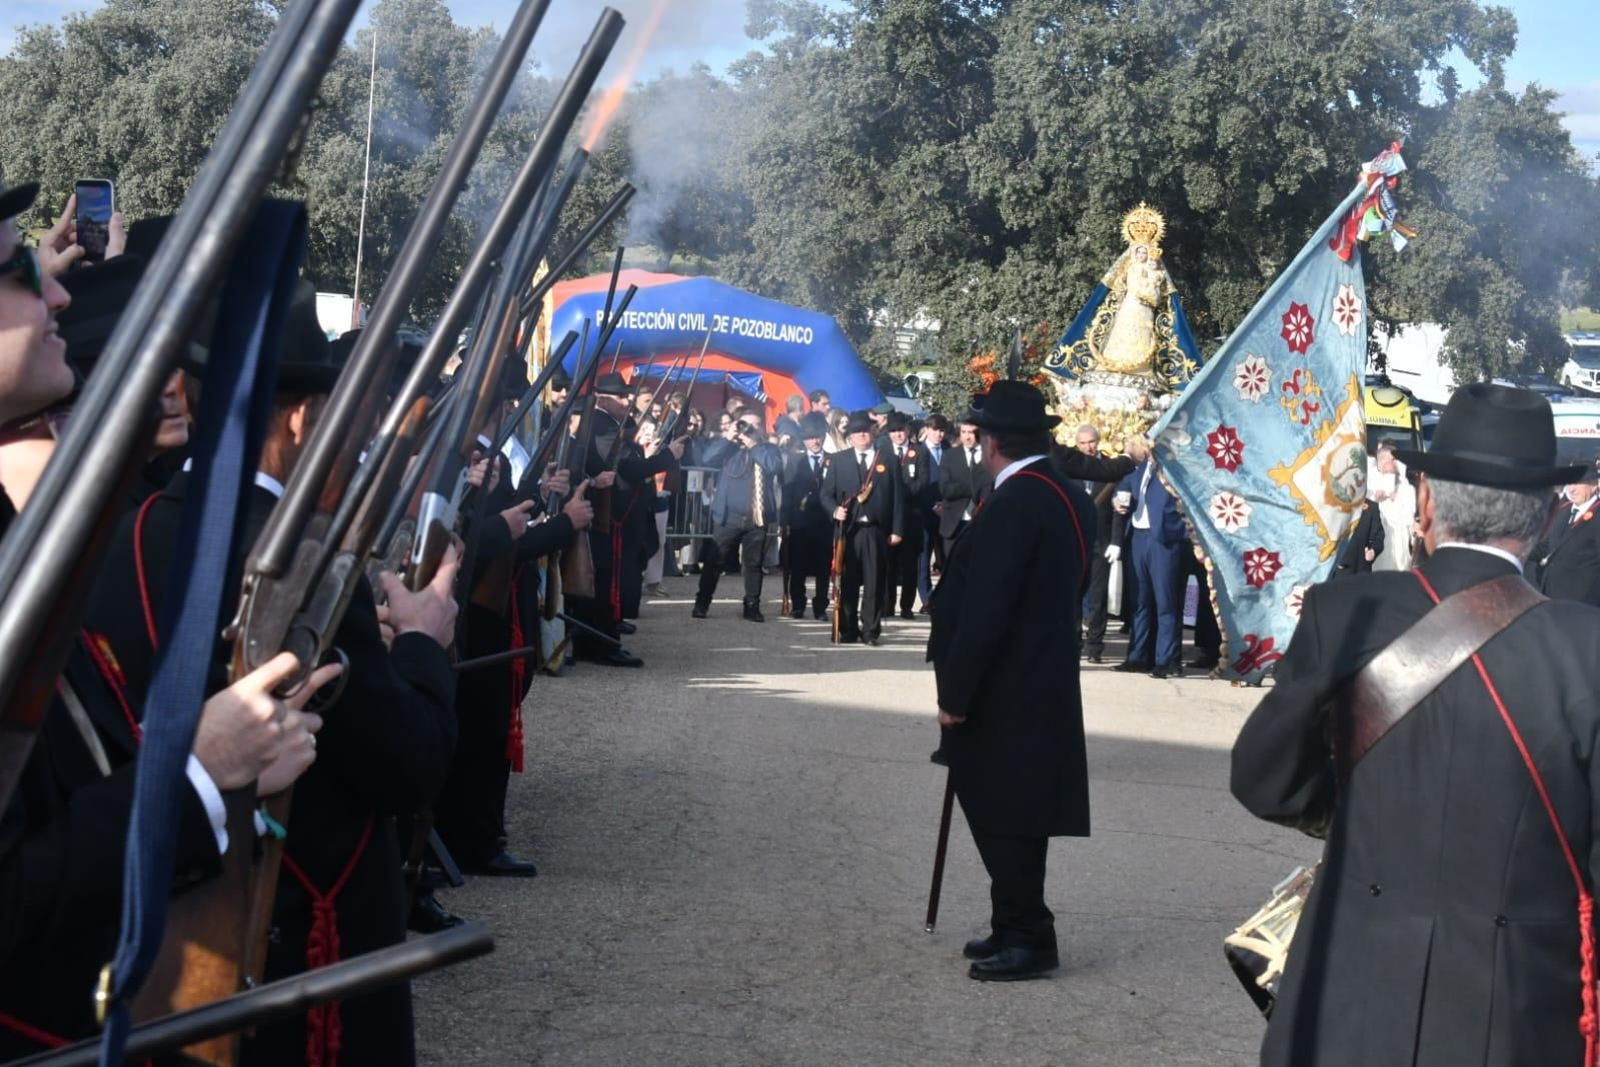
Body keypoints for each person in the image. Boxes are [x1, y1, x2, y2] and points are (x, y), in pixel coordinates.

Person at [1230, 383, 1599, 1067]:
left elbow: (1264, 780)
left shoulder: (1343, 611)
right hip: (1521, 1005)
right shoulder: (1588, 647)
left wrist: (1361, 811)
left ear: (1425, 500)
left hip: (1347, 984)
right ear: (1548, 517)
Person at [927, 381, 1094, 982]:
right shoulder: (1063, 493)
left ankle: (1029, 934)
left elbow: (986, 609)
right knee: (1013, 804)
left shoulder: (1018, 499)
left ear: (992, 442)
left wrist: (956, 696)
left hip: (1004, 682)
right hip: (1038, 671)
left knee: (1002, 808)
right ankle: (1010, 921)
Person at [820, 411, 904, 645]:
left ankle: (870, 631)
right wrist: (834, 510)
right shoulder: (839, 460)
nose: (861, 436)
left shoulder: (887, 459)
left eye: (865, 432)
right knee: (847, 581)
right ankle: (848, 629)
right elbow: (825, 494)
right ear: (850, 436)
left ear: (872, 433)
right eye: (857, 433)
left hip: (876, 530)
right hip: (849, 531)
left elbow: (898, 497)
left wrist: (897, 529)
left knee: (874, 583)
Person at [692, 417, 784, 621]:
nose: (748, 429)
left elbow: (774, 467)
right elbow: (707, 459)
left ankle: (752, 605)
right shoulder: (729, 448)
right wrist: (728, 437)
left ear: (761, 428)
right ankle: (702, 603)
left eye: (754, 426)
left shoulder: (768, 448)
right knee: (714, 561)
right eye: (744, 424)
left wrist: (753, 445)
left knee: (753, 563)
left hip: (757, 516)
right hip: (729, 516)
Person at [1113, 443, 1187, 677]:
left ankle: (1168, 660)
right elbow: (1124, 486)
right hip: (1138, 537)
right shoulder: (1141, 468)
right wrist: (1117, 498)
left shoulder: (1175, 468)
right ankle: (1138, 656)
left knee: (1166, 602)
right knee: (1139, 601)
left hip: (1164, 540)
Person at [781, 413, 833, 620]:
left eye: (818, 436)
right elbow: (788, 492)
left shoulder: (833, 460)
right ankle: (798, 605)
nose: (815, 441)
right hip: (801, 521)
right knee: (798, 566)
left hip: (824, 522)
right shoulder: (795, 460)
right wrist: (784, 520)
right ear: (804, 439)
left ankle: (820, 606)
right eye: (810, 437)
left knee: (823, 568)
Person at [1073, 425, 1116, 663]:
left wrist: (1116, 541)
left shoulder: (1110, 467)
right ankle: (1075, 641)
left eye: (1091, 442)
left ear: (1098, 441)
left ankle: (1095, 646)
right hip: (1076, 540)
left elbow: (1120, 506)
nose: (1087, 447)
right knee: (1075, 595)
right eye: (1082, 443)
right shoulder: (1070, 468)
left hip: (1102, 540)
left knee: (1097, 595)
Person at [1534, 467, 1600, 607]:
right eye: (1569, 483)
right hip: (1549, 596)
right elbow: (1549, 546)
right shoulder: (1564, 510)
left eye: (1577, 483)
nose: (1572, 489)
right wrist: (1521, 547)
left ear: (1594, 485)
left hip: (1582, 603)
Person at [939, 419, 992, 558]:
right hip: (954, 524)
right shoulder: (950, 456)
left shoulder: (990, 455)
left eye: (971, 433)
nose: (967, 437)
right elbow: (945, 489)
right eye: (963, 432)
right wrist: (974, 486)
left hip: (983, 523)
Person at [916, 414, 950, 611]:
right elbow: (917, 486)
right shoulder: (918, 453)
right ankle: (927, 599)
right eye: (935, 429)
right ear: (926, 430)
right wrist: (931, 505)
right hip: (925, 511)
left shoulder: (949, 451)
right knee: (924, 558)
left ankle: (943, 595)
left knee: (946, 556)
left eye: (942, 430)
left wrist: (945, 504)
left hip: (946, 512)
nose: (939, 434)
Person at [1368, 441, 1416, 570]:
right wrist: (1377, 498)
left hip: (1401, 546)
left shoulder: (1407, 489)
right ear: (1381, 463)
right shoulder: (1371, 485)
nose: (1396, 463)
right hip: (1380, 545)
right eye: (1393, 459)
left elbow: (1410, 518)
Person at [1333, 497, 1385, 576]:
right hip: (1334, 572)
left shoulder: (1371, 508)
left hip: (1358, 570)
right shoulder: (1331, 503)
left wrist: (1373, 550)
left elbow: (1378, 537)